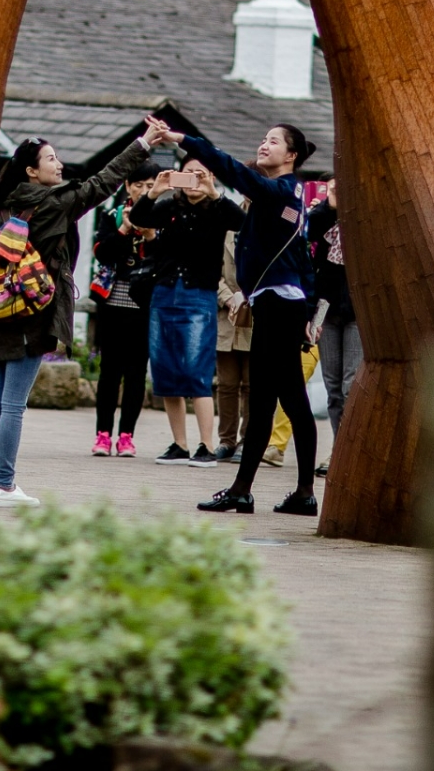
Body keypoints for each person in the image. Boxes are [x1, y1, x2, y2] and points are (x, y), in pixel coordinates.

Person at [0, 120, 166, 508]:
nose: (59, 165)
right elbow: (104, 181)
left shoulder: (1, 204)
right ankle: (6, 486)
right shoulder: (53, 203)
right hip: (31, 312)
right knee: (11, 405)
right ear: (32, 170)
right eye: (51, 159)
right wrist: (143, 144)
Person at [145, 119, 319, 517]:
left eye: (273, 142)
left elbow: (232, 169)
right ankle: (291, 492)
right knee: (285, 397)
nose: (264, 145)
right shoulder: (292, 195)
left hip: (277, 305)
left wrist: (182, 139)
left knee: (273, 399)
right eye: (263, 139)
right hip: (283, 304)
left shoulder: (276, 191)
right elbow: (302, 259)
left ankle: (257, 491)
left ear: (290, 155)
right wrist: (308, 310)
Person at [129, 156, 246, 467]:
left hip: (199, 295)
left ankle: (206, 446)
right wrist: (155, 190)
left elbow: (242, 223)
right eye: (189, 173)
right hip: (165, 291)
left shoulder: (219, 209)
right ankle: (179, 444)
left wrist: (214, 192)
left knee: (196, 370)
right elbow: (142, 218)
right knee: (166, 370)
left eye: (201, 174)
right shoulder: (169, 206)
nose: (194, 180)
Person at [89, 160, 160, 456]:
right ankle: (103, 434)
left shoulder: (163, 217)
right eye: (139, 185)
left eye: (150, 185)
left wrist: (150, 236)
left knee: (135, 373)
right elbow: (102, 253)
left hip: (144, 305)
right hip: (112, 301)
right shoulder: (112, 214)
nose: (144, 190)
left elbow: (166, 260)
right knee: (109, 371)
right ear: (128, 186)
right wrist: (124, 229)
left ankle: (127, 435)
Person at [307, 177, 361, 473]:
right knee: (333, 388)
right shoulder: (324, 212)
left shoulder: (368, 214)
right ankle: (339, 451)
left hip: (358, 309)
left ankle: (352, 452)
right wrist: (330, 204)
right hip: (326, 308)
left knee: (351, 384)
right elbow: (308, 232)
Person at [215, 228, 252, 459]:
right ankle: (226, 440)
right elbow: (212, 266)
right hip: (226, 315)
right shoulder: (227, 225)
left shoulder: (269, 220)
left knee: (252, 384)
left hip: (256, 310)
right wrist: (227, 297)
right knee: (226, 383)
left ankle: (248, 441)